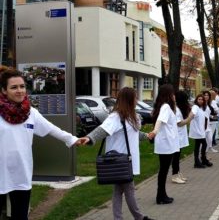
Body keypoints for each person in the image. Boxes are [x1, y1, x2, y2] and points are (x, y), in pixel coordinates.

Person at [0, 68, 85, 220]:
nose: (19, 91)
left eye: (22, 86)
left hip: (21, 173)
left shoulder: (30, 112)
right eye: (14, 87)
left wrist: (72, 139)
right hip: (1, 173)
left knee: (20, 217)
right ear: (4, 90)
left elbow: (51, 128)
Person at [81, 87, 153, 220]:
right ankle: (139, 217)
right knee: (129, 190)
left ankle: (121, 218)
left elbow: (134, 134)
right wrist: (90, 138)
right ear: (129, 99)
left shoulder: (130, 117)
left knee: (118, 191)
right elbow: (102, 130)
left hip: (126, 161)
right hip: (120, 161)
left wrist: (147, 136)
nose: (137, 100)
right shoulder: (115, 117)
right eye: (135, 97)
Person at [149, 84, 180, 204]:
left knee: (164, 170)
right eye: (172, 93)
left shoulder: (166, 106)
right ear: (168, 95)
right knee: (163, 170)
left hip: (167, 143)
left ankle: (162, 195)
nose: (174, 96)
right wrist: (155, 131)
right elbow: (160, 120)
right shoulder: (166, 107)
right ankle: (160, 196)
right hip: (166, 144)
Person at [185, 94, 213, 168]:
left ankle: (198, 161)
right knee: (204, 144)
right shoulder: (195, 107)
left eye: (202, 99)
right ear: (196, 100)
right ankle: (201, 160)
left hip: (201, 130)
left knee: (198, 146)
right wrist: (187, 120)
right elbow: (192, 113)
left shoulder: (201, 108)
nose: (201, 101)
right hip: (197, 131)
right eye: (199, 99)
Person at [172, 91, 191, 184]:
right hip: (177, 136)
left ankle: (178, 173)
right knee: (175, 156)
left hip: (180, 135)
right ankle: (174, 175)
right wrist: (189, 118)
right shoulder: (176, 109)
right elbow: (179, 123)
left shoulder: (179, 109)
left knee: (178, 156)